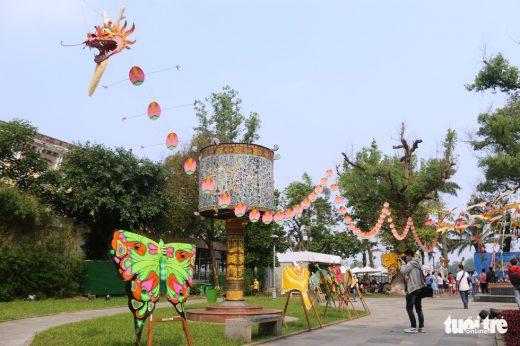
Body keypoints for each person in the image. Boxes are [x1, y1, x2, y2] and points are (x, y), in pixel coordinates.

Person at [400, 250, 425, 333]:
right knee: (419, 309)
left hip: (413, 289)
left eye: (407, 256)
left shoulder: (411, 263)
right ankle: (421, 326)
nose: (406, 258)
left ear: (410, 256)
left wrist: (403, 263)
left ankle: (413, 326)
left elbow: (403, 271)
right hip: (420, 288)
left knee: (409, 308)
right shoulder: (418, 263)